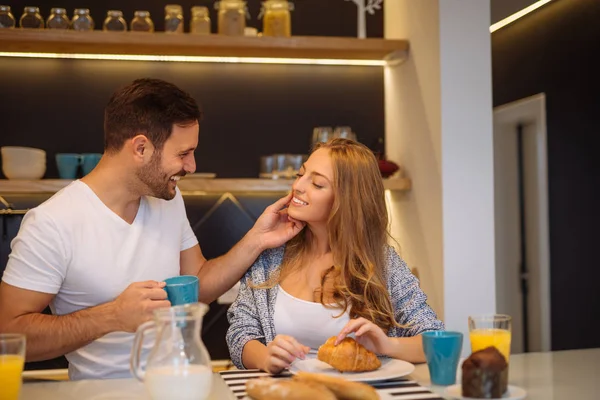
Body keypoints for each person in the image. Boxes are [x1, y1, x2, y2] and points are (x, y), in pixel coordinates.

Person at [0, 78, 304, 380]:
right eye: (184, 153)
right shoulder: (52, 222)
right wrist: (113, 316)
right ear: (141, 148)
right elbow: (9, 333)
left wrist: (257, 240)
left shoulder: (168, 201)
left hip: (178, 383)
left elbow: (197, 286)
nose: (192, 166)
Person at [226, 138, 444, 374]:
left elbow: (436, 341)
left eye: (317, 184)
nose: (298, 186)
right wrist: (264, 357)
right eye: (301, 174)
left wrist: (387, 344)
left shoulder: (382, 262)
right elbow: (240, 333)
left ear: (348, 200)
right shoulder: (271, 255)